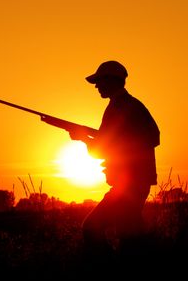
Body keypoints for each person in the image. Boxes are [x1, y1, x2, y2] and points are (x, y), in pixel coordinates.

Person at [68, 60, 160, 265]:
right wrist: (89, 139)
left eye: (99, 81)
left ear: (112, 80)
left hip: (130, 185)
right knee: (129, 237)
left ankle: (111, 272)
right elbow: (106, 145)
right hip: (128, 184)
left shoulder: (123, 107)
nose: (96, 86)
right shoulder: (124, 106)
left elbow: (153, 137)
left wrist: (84, 139)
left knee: (93, 228)